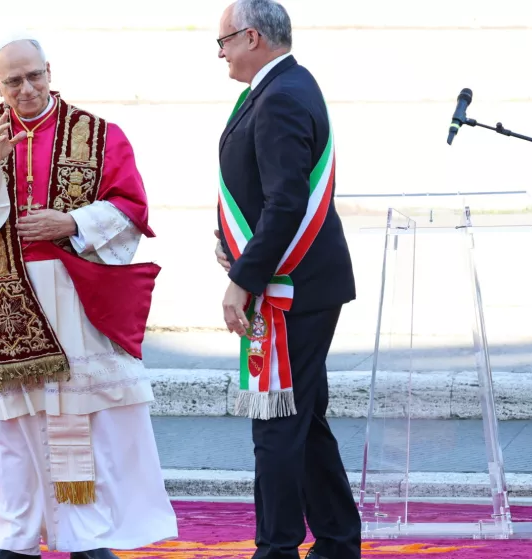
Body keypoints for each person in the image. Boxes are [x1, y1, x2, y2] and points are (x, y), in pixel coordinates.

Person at [0, 32, 178, 559]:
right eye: (13, 80)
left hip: (72, 298)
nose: (26, 89)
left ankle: (87, 536)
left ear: (49, 71)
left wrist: (71, 221)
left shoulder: (98, 134)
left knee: (78, 418)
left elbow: (131, 207)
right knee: (6, 425)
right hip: (1, 301)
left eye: (34, 75)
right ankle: (9, 538)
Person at [213, 1, 361, 558]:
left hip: (293, 289)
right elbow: (260, 184)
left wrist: (243, 278)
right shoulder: (284, 86)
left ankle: (275, 549)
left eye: (224, 41)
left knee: (276, 422)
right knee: (304, 419)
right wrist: (229, 239)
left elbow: (286, 201)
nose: (221, 53)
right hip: (302, 282)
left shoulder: (280, 97)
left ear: (251, 37)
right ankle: (338, 542)